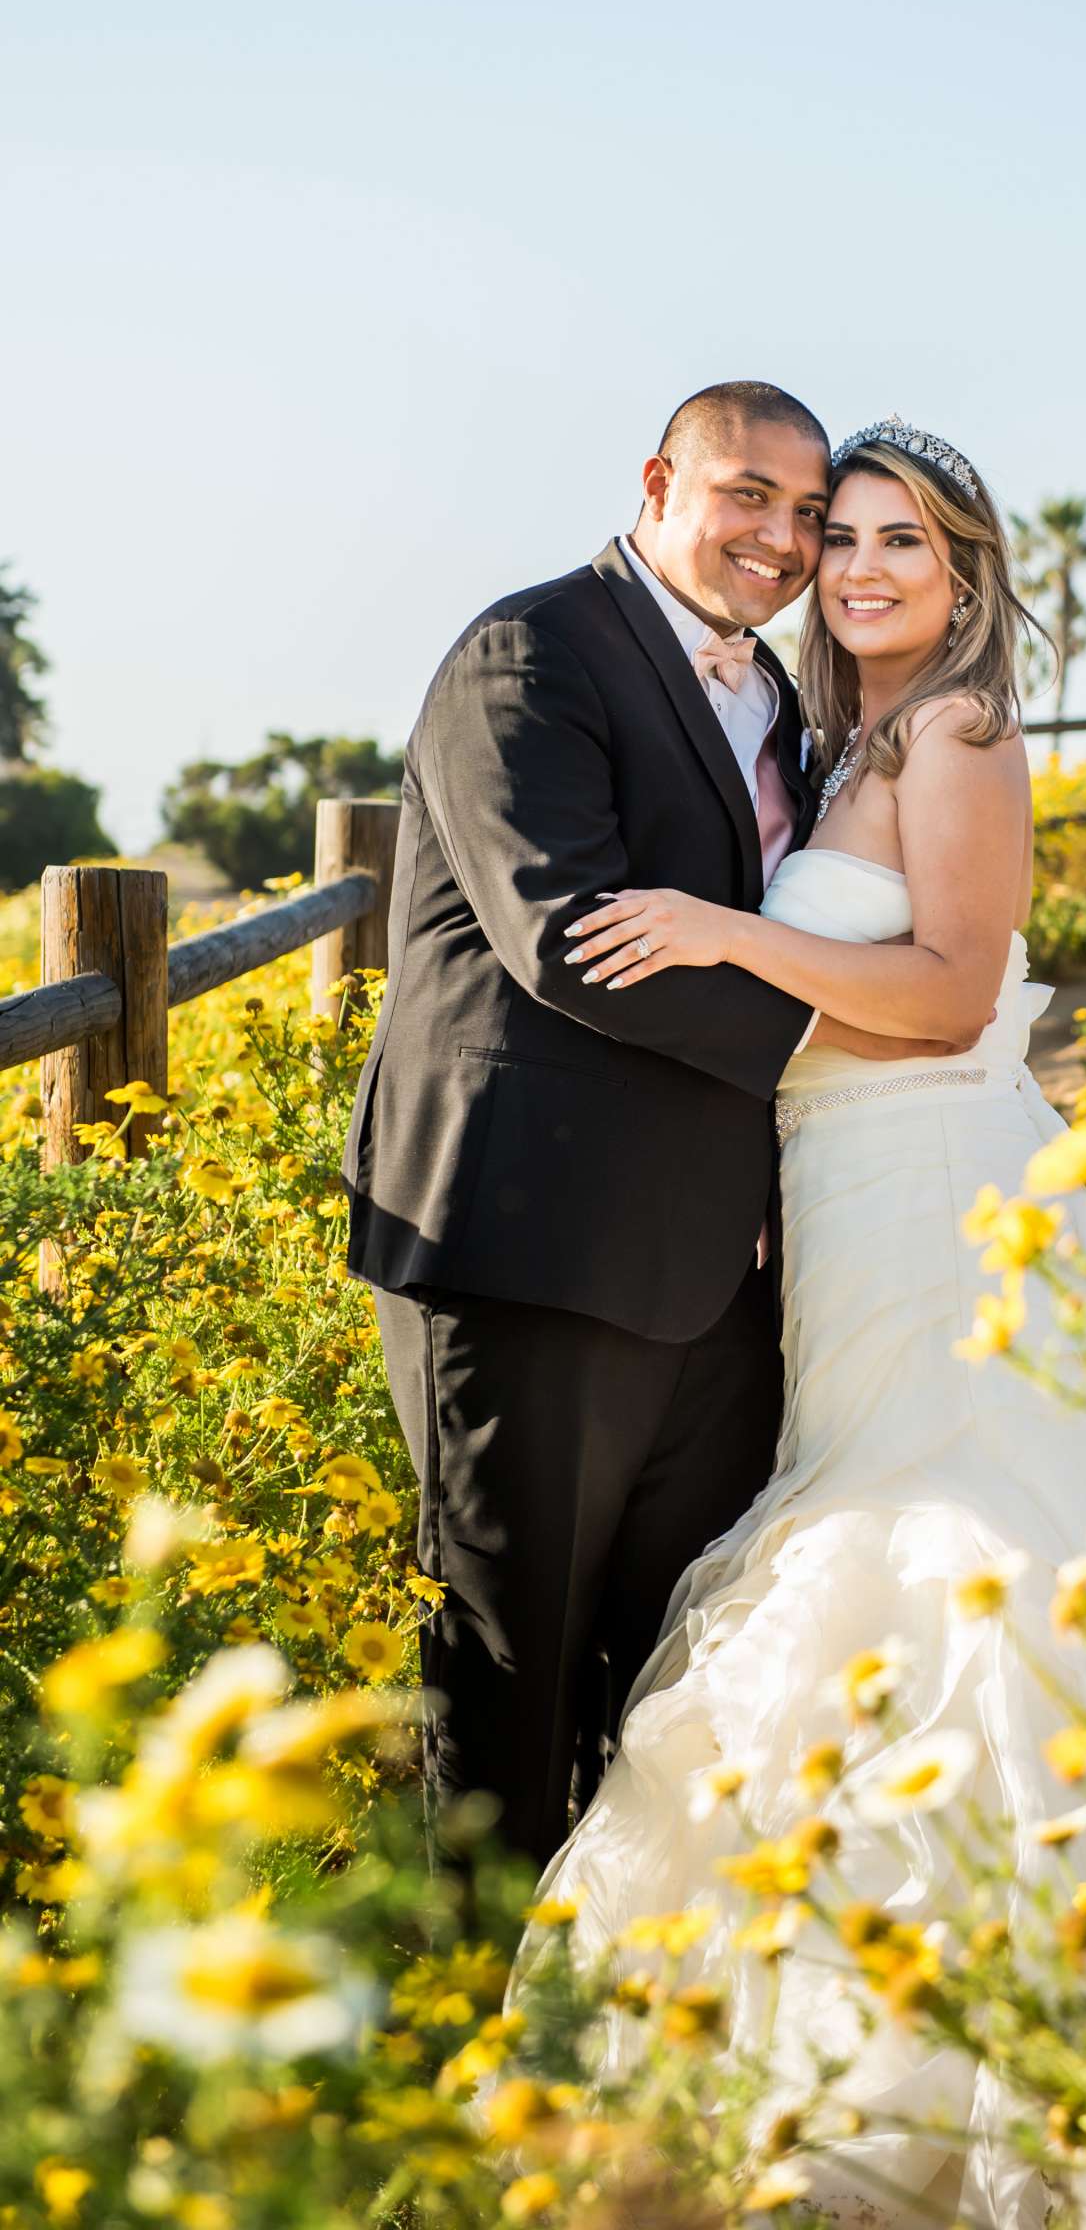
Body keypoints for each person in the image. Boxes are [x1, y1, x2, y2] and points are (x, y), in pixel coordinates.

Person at [515, 419, 1086, 2227]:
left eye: (902, 546)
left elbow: (942, 996)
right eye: (840, 538)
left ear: (967, 575)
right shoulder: (842, 736)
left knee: (970, 1563)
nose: (858, 570)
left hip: (939, 1190)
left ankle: (1035, 2018)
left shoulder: (960, 732)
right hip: (842, 1206)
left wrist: (721, 930)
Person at [342, 383, 968, 1868]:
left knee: (676, 1669)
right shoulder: (530, 654)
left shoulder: (785, 696)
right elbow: (569, 941)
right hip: (530, 1249)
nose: (783, 538)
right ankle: (470, 2034)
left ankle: (627, 2013)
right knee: (510, 1674)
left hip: (725, 1270)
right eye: (748, 495)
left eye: (808, 515)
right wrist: (868, 1033)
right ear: (660, 482)